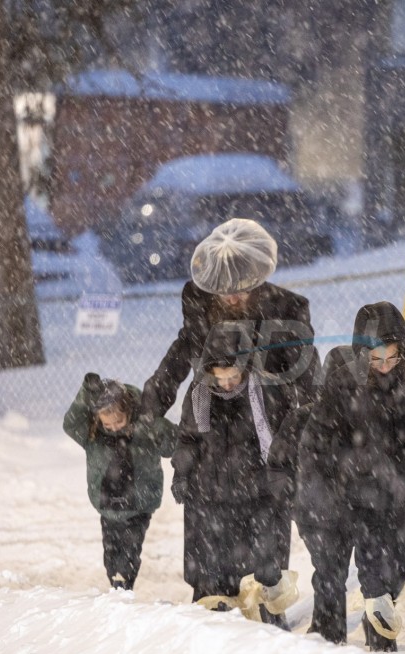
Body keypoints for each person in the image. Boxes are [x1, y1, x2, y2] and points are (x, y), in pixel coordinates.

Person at [301, 301, 405, 651]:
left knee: (402, 560)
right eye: (376, 359)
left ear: (403, 350)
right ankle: (375, 635)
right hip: (357, 489)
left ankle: (377, 611)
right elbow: (317, 436)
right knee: (371, 564)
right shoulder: (344, 380)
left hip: (404, 485)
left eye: (391, 357)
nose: (384, 366)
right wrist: (322, 481)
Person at [170, 322, 299, 627]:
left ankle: (268, 610)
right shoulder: (200, 394)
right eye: (220, 378)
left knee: (264, 559)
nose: (227, 385)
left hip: (258, 489)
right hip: (211, 491)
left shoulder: (266, 391)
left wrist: (284, 472)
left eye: (234, 377)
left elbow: (286, 436)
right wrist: (182, 473)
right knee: (213, 560)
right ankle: (216, 609)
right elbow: (188, 438)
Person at [140, 218, 319, 419]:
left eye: (241, 291)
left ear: (255, 280)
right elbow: (177, 360)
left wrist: (311, 421)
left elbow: (306, 373)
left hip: (267, 414)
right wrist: (148, 415)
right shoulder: (201, 305)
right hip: (211, 415)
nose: (233, 299)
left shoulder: (287, 308)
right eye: (224, 292)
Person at [267, 345, 355, 644]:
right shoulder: (302, 417)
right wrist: (292, 500)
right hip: (313, 512)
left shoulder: (363, 419)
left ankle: (325, 627)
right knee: (329, 570)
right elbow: (278, 464)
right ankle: (330, 633)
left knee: (334, 571)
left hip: (350, 510)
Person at [63, 374, 177, 590]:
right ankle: (117, 583)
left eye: (119, 421)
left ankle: (124, 584)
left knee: (129, 551)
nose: (114, 427)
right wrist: (87, 392)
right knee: (111, 553)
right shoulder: (92, 433)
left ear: (129, 411)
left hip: (139, 505)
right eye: (107, 423)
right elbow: (70, 424)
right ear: (98, 418)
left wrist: (156, 425)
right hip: (108, 505)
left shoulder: (145, 426)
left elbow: (172, 446)